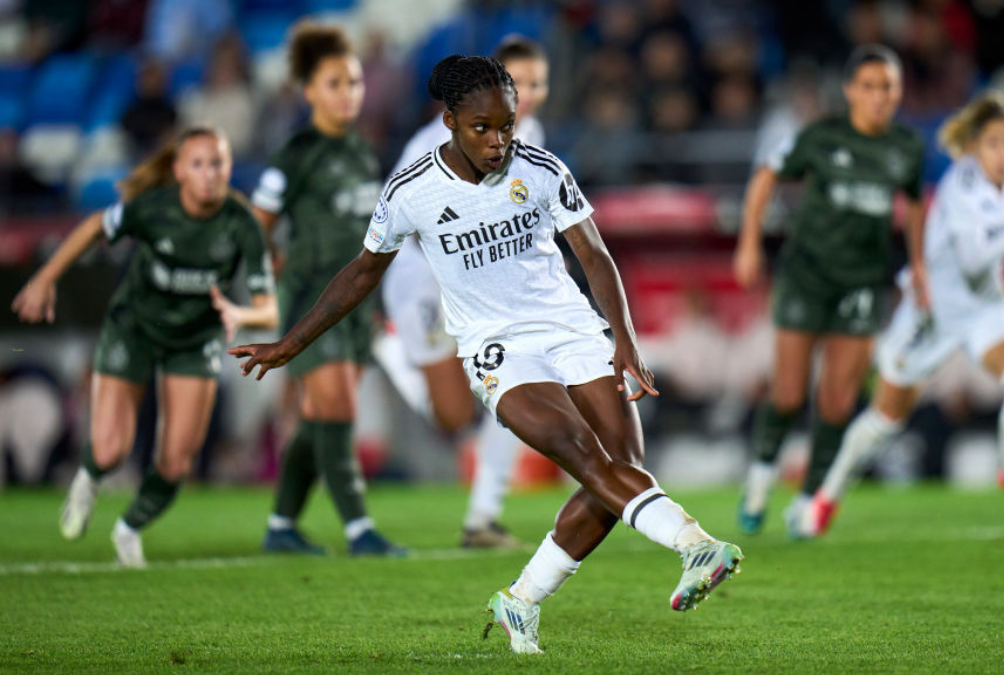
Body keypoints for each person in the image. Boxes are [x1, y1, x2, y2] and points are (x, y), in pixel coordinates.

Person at [230, 55, 743, 655]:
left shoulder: (543, 168)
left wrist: (623, 338)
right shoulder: (411, 191)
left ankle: (520, 601)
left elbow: (594, 254)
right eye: (482, 128)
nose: (498, 141)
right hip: (498, 348)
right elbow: (363, 272)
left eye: (507, 125)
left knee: (621, 468)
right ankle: (693, 543)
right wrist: (290, 343)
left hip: (572, 328)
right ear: (449, 120)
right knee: (585, 455)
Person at [810, 92, 1004, 536]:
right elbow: (972, 260)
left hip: (984, 306)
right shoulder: (959, 187)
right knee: (884, 421)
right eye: (994, 144)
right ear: (974, 147)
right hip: (932, 311)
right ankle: (827, 496)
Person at [11, 125, 278, 567]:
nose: (209, 174)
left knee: (177, 463)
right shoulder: (153, 209)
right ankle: (88, 478)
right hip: (134, 328)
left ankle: (129, 527)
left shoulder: (242, 223)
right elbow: (95, 226)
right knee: (111, 450)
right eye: (198, 164)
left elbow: (267, 310)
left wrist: (239, 314)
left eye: (217, 163)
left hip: (194, 341)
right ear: (179, 170)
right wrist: (45, 278)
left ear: (229, 168)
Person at [733, 45, 929, 538]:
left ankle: (807, 501)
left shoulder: (906, 146)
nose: (879, 96)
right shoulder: (821, 137)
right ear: (850, 91)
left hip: (862, 282)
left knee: (838, 404)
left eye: (888, 87)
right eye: (869, 86)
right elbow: (766, 175)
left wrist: (919, 264)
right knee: (788, 394)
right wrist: (749, 242)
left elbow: (915, 204)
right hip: (807, 276)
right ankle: (759, 481)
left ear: (898, 92)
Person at [374, 36, 549, 548]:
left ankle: (482, 518)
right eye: (518, 82)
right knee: (454, 416)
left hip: (483, 279)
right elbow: (400, 222)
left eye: (537, 83)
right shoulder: (436, 142)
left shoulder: (531, 133)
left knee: (513, 386)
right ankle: (394, 351)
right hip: (423, 278)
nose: (528, 93)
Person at [249, 22, 403, 557]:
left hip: (357, 304)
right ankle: (360, 530)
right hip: (311, 298)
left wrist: (378, 302)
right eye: (335, 83)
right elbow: (256, 224)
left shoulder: (363, 152)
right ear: (309, 90)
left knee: (320, 418)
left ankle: (280, 526)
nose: (348, 93)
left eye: (355, 82)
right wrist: (267, 274)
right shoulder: (296, 155)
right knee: (336, 409)